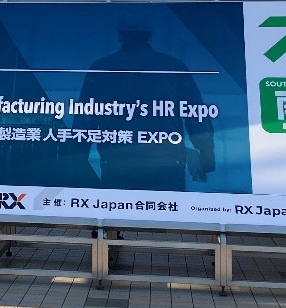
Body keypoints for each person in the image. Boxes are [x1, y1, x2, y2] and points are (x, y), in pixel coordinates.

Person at [76, 19, 216, 192]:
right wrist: (207, 157)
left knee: (121, 208)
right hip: (168, 163)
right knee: (165, 208)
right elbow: (196, 114)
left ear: (120, 36)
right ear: (149, 36)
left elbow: (85, 117)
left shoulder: (101, 67)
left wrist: (78, 158)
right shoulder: (173, 66)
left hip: (117, 163)